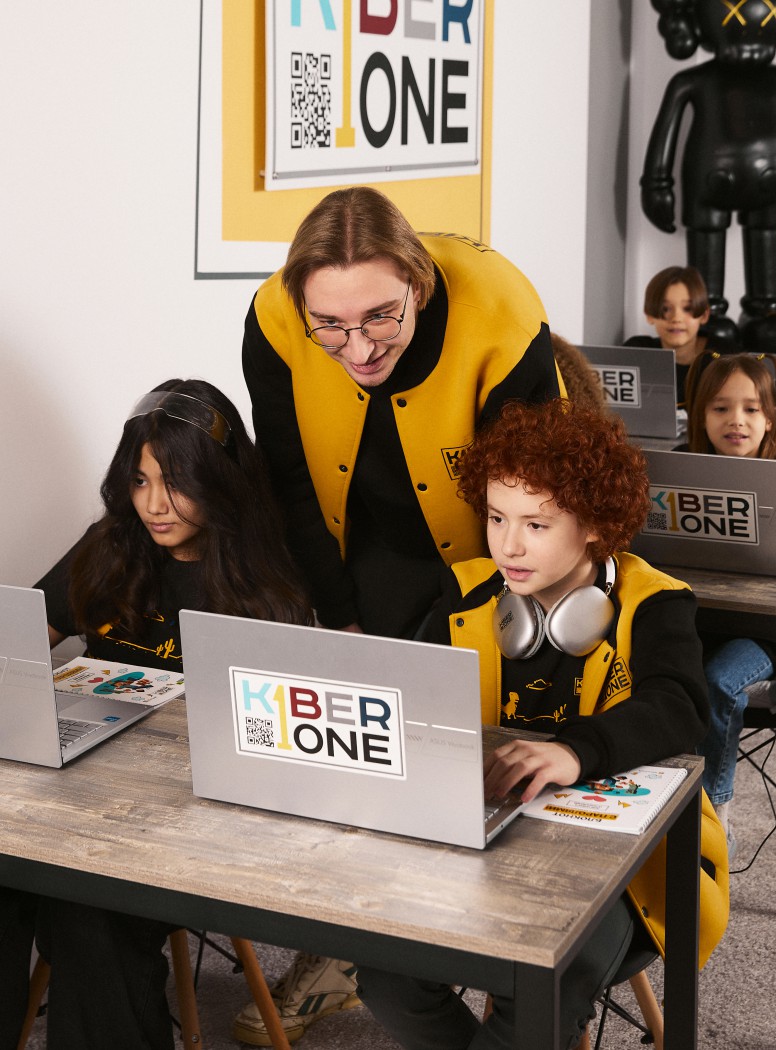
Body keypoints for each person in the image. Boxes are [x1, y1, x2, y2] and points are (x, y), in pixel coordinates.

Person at [237, 185, 562, 1041]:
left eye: (380, 316)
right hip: (362, 541)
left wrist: (474, 626)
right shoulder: (274, 318)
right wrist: (338, 615)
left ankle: (507, 953)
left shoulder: (501, 312)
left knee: (481, 746)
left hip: (489, 545)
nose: (357, 346)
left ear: (417, 284)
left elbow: (536, 507)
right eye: (331, 327)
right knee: (364, 752)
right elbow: (289, 479)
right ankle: (356, 947)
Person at [355, 399, 729, 1050]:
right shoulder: (466, 594)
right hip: (488, 844)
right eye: (497, 517)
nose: (508, 544)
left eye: (536, 523)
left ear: (594, 524)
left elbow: (679, 705)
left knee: (541, 985)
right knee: (386, 977)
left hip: (628, 871)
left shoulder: (654, 601)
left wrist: (576, 753)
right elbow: (412, 703)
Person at [1, 379, 312, 1050]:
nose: (153, 504)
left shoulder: (267, 579)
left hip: (191, 821)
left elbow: (276, 743)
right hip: (81, 798)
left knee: (87, 917)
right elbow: (21, 640)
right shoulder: (111, 543)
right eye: (139, 481)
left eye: (175, 483)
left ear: (219, 481)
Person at [683, 352, 776, 847]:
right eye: (721, 408)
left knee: (719, 680)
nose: (736, 421)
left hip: (769, 633)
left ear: (771, 418)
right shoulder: (678, 474)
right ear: (700, 415)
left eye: (751, 409)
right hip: (699, 619)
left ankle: (711, 814)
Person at [624, 265, 715, 411]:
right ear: (649, 315)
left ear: (704, 315)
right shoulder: (635, 353)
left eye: (687, 309)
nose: (676, 318)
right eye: (665, 309)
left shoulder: (724, 356)